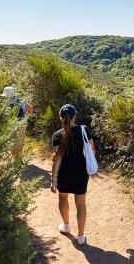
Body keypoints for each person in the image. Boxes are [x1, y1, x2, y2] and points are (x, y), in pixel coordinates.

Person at [50, 104, 95, 245]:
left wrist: (54, 180)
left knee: (63, 199)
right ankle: (81, 236)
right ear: (75, 116)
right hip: (81, 173)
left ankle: (66, 225)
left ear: (60, 117)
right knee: (81, 204)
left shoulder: (57, 135)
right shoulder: (84, 130)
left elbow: (57, 159)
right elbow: (92, 150)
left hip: (64, 174)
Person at [1, 86, 33, 157]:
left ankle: (9, 160)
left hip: (9, 125)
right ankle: (17, 159)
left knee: (8, 142)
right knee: (19, 142)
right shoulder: (21, 101)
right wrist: (27, 117)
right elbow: (31, 108)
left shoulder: (6, 102)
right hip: (21, 125)